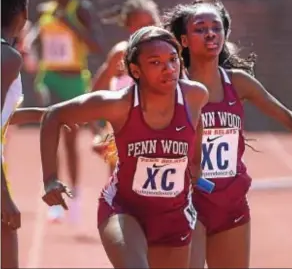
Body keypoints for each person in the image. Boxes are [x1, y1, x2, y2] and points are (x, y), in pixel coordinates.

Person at [163, 0, 292, 269]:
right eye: (200, 28)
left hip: (230, 201)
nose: (210, 33)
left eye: (216, 28)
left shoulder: (238, 83)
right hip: (189, 201)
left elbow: (288, 117)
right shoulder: (173, 88)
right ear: (183, 41)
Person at [39, 26, 209, 268]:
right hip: (125, 209)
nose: (169, 68)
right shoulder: (119, 104)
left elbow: (196, 123)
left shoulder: (194, 96)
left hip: (174, 215)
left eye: (173, 60)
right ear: (135, 71)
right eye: (155, 62)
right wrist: (50, 178)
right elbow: (53, 116)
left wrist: (196, 165)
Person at [24, 0, 104, 223]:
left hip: (75, 80)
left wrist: (70, 26)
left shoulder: (80, 10)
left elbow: (96, 46)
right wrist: (31, 54)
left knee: (70, 140)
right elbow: (33, 40)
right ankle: (53, 192)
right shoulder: (45, 11)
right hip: (49, 78)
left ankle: (76, 193)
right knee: (51, 134)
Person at [92, 0, 162, 174]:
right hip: (120, 134)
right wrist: (97, 131)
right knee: (118, 186)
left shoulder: (167, 56)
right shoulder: (120, 54)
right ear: (130, 28)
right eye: (140, 26)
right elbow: (95, 92)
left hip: (154, 134)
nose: (146, 30)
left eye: (151, 23)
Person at [1, 0, 44, 268]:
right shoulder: (7, 58)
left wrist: (45, 114)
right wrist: (3, 197)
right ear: (23, 15)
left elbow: (3, 117)